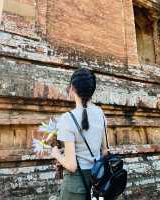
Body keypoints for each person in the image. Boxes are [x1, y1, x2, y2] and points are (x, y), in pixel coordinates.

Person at [51, 68, 108, 200]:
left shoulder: (67, 118)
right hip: (98, 181)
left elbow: (71, 166)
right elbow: (105, 151)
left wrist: (56, 154)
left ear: (72, 88)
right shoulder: (100, 113)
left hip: (76, 186)